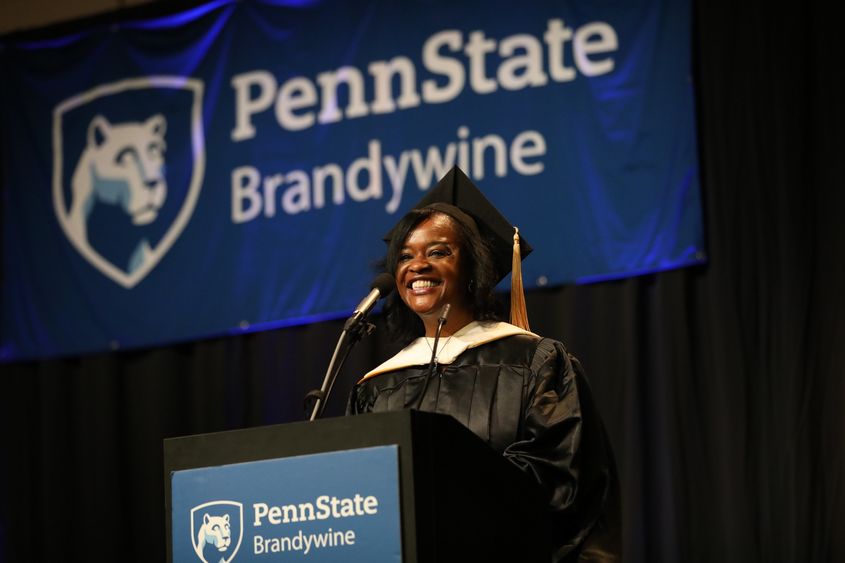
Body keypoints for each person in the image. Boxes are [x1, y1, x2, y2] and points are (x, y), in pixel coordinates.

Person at [346, 166, 621, 562]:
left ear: (475, 267)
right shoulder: (377, 386)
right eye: (405, 256)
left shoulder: (534, 362)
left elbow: (564, 486)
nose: (416, 266)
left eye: (438, 252)